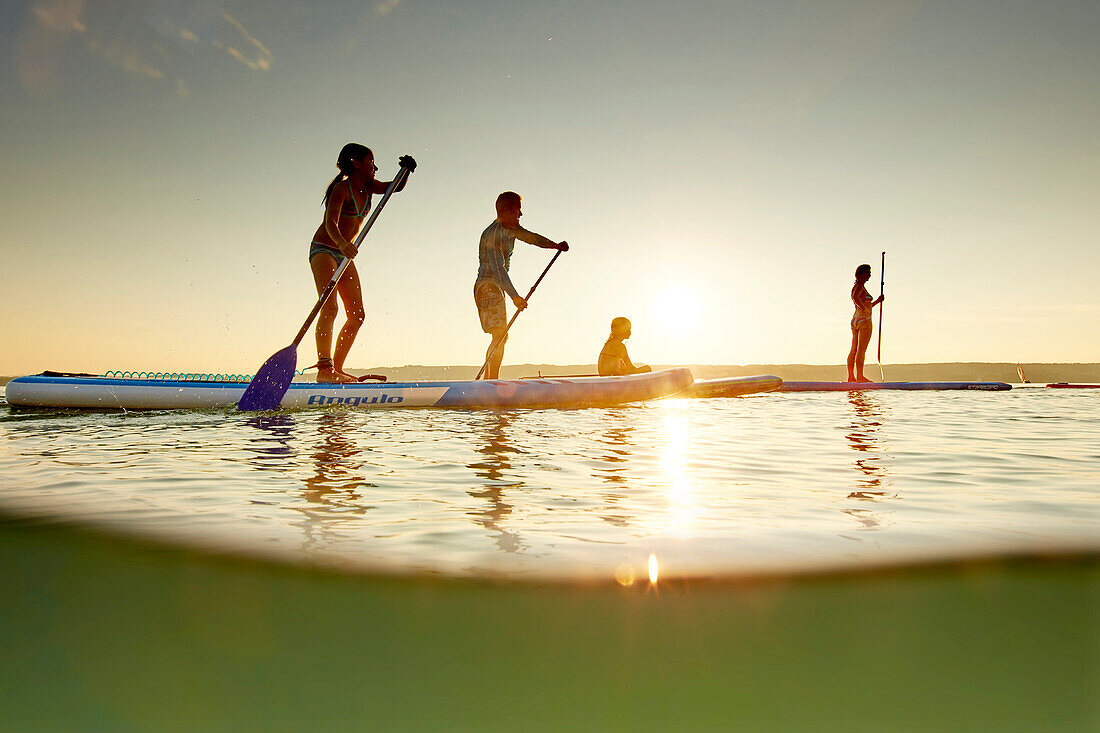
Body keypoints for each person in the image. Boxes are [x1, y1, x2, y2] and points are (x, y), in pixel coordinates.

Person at [308, 144, 414, 383]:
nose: (375, 168)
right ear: (356, 163)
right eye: (370, 162)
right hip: (325, 250)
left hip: (345, 255)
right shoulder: (341, 189)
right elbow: (330, 224)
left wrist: (405, 170)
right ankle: (324, 370)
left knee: (357, 314)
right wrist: (342, 244)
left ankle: (337, 369)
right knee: (330, 307)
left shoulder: (369, 188)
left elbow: (393, 188)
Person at [474, 191, 568, 379]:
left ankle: (489, 382)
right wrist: (515, 297)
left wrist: (554, 245)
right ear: (508, 211)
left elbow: (532, 238)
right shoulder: (492, 234)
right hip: (487, 287)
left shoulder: (512, 229)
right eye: (518, 210)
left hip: (496, 287)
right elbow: (498, 269)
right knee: (500, 334)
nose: (521, 215)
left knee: (501, 336)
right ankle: (491, 382)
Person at [846, 263, 885, 382]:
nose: (869, 275)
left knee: (854, 349)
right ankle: (860, 377)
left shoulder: (858, 286)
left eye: (870, 272)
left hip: (855, 320)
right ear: (860, 274)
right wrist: (863, 308)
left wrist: (878, 301)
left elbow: (865, 304)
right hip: (864, 320)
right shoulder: (859, 285)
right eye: (867, 272)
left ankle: (851, 377)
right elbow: (855, 297)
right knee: (861, 349)